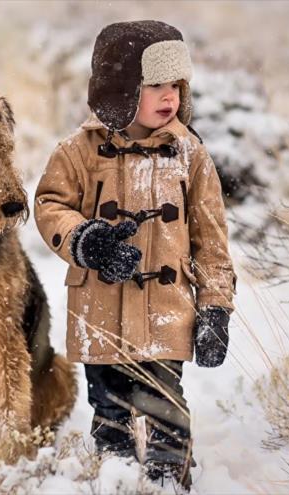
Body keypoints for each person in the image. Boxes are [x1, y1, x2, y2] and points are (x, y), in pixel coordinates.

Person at [33, 19, 236, 491]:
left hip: (166, 313)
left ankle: (168, 478)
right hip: (100, 312)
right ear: (121, 89)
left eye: (176, 85)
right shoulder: (79, 151)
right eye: (155, 85)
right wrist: (87, 239)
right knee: (110, 409)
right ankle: (116, 476)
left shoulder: (190, 154)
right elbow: (49, 205)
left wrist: (216, 308)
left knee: (164, 403)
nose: (170, 97)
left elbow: (212, 240)